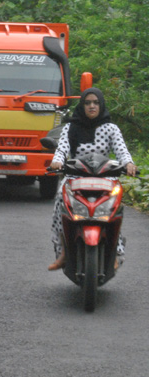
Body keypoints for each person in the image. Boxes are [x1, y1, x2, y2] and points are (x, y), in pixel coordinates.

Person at [48, 87, 137, 271]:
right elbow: (62, 148)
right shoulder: (70, 127)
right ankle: (63, 253)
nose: (91, 106)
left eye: (95, 102)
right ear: (82, 105)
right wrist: (57, 161)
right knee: (59, 200)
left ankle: (115, 253)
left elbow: (121, 150)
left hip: (105, 178)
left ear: (101, 105)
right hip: (75, 177)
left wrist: (128, 163)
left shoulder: (110, 128)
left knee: (115, 208)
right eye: (87, 103)